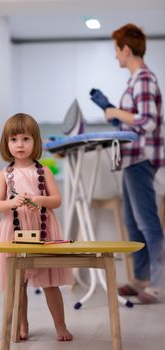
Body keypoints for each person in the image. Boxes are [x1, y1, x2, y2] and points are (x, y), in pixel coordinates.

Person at [0, 113, 74, 340]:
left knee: (50, 282)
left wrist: (40, 200)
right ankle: (22, 324)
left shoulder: (43, 171)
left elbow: (56, 200)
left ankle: (60, 325)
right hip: (14, 232)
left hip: (42, 230)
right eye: (14, 139)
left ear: (35, 142)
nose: (20, 145)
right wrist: (11, 202)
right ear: (6, 143)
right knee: (18, 283)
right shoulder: (4, 175)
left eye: (26, 139)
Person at [105, 23, 165, 303]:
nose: (115, 56)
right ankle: (141, 279)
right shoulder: (135, 81)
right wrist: (115, 116)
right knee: (133, 223)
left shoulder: (143, 79)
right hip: (132, 159)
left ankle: (158, 282)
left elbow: (149, 121)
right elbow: (137, 120)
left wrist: (116, 111)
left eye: (116, 50)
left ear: (126, 50)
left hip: (141, 159)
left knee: (147, 222)